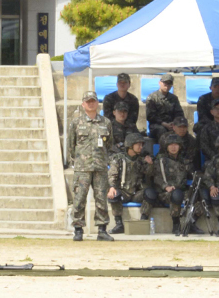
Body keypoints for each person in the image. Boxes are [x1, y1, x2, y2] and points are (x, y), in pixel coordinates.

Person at [65, 91, 114, 241]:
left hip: (100, 167)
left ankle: (102, 230)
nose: (91, 103)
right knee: (79, 198)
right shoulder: (76, 123)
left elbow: (109, 144)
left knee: (101, 199)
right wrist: (79, 160)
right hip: (82, 167)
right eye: (88, 101)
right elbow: (71, 145)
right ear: (83, 104)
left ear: (97, 103)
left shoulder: (105, 123)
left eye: (93, 101)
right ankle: (78, 229)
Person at [107, 132, 153, 234]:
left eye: (142, 145)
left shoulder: (141, 160)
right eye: (138, 144)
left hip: (136, 193)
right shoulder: (119, 158)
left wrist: (149, 165)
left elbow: (149, 175)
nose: (141, 147)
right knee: (114, 194)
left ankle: (143, 220)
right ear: (130, 145)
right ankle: (119, 223)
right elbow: (112, 175)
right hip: (123, 191)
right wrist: (112, 187)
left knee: (150, 193)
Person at [150, 133, 192, 235]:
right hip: (165, 193)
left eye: (176, 145)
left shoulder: (184, 161)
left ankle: (192, 223)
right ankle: (176, 223)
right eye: (170, 145)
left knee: (199, 196)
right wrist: (166, 187)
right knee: (176, 195)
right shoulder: (161, 160)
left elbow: (192, 175)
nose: (173, 147)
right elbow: (156, 177)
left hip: (181, 190)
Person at [145, 73, 182, 143]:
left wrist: (174, 123)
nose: (167, 86)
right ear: (160, 83)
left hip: (172, 124)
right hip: (157, 125)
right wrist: (163, 123)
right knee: (162, 130)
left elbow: (179, 113)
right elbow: (150, 116)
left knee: (182, 129)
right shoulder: (152, 97)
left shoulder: (174, 98)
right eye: (165, 83)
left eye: (169, 84)